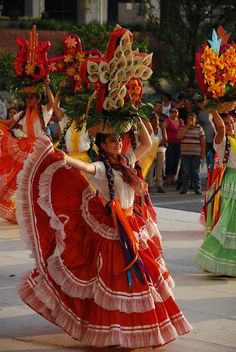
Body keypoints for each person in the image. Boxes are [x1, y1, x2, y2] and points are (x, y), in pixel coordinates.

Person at [15, 117, 192, 349]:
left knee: (143, 279)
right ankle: (116, 333)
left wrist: (135, 115)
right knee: (117, 280)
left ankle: (133, 331)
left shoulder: (127, 160)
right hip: (114, 230)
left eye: (119, 139)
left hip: (133, 226)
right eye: (112, 140)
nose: (118, 143)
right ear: (103, 145)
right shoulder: (100, 168)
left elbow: (147, 143)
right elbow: (84, 167)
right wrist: (60, 155)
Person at [0, 78, 54, 222]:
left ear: (37, 100)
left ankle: (41, 211)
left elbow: (53, 104)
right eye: (27, 97)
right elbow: (7, 123)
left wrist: (47, 86)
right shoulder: (23, 114)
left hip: (41, 149)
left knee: (40, 181)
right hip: (26, 148)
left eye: (31, 97)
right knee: (22, 180)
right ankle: (22, 211)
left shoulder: (44, 112)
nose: (28, 100)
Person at [196, 106, 236, 276]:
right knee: (227, 221)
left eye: (232, 122)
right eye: (226, 123)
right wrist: (213, 110)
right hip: (230, 183)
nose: (230, 125)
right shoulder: (222, 141)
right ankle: (218, 260)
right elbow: (219, 127)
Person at [178, 112, 205, 195]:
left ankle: (197, 189)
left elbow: (203, 142)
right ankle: (184, 189)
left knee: (195, 172)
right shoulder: (183, 127)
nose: (191, 121)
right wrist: (186, 128)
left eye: (192, 119)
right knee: (186, 172)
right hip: (185, 153)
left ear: (195, 120)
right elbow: (179, 137)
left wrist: (203, 153)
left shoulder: (199, 128)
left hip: (196, 154)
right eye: (189, 119)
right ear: (187, 120)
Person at [163, 107, 184, 185]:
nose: (174, 113)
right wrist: (165, 139)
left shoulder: (181, 121)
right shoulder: (167, 121)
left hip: (178, 144)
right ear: (170, 113)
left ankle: (173, 177)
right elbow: (163, 129)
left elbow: (183, 130)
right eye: (172, 112)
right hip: (170, 144)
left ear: (178, 113)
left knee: (176, 161)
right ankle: (168, 178)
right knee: (169, 161)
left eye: (175, 112)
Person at [146, 115, 167, 193]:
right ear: (150, 122)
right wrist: (157, 143)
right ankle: (149, 185)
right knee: (150, 169)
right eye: (154, 121)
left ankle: (159, 185)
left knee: (159, 169)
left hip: (160, 150)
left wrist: (155, 144)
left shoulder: (161, 129)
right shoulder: (148, 130)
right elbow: (147, 141)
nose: (155, 123)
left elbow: (165, 140)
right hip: (151, 151)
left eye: (156, 121)